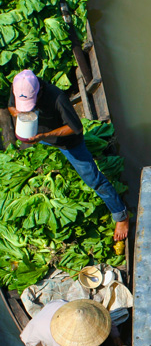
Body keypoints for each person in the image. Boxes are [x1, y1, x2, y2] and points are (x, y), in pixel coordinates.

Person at [7, 70, 129, 241]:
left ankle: (121, 215)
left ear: (39, 91)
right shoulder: (20, 87)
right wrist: (18, 113)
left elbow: (75, 127)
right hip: (39, 136)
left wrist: (44, 136)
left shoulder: (56, 97)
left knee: (94, 179)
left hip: (68, 142)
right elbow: (11, 106)